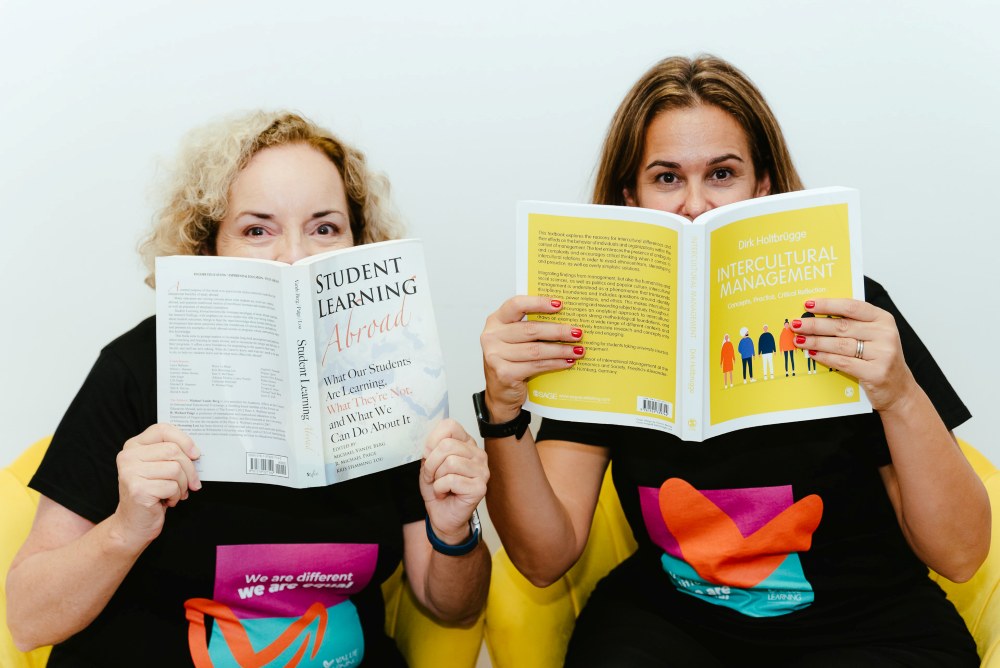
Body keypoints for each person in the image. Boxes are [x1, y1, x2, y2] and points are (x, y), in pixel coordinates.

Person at [478, 55, 989, 667]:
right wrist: (504, 414)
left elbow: (961, 555)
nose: (696, 205)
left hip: (866, 630)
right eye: (666, 178)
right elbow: (543, 559)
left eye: (722, 174)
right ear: (630, 198)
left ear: (763, 187)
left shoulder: (850, 310)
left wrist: (901, 395)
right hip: (674, 625)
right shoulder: (605, 327)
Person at [7, 111, 490, 667]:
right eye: (257, 230)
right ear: (207, 247)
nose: (294, 256)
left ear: (360, 244)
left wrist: (455, 531)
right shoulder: (135, 370)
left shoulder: (394, 376)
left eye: (324, 227)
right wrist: (125, 528)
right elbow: (28, 620)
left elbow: (452, 607)